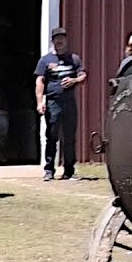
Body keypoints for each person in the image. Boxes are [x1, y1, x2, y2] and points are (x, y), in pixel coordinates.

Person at [35, 26, 87, 181]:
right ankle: (49, 170)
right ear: (53, 41)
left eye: (62, 38)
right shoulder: (45, 60)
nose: (59, 41)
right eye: (57, 38)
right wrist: (40, 102)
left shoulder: (74, 59)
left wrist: (74, 80)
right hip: (53, 103)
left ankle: (69, 171)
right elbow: (40, 81)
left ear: (66, 40)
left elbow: (83, 75)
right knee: (51, 136)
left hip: (69, 103)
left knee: (69, 137)